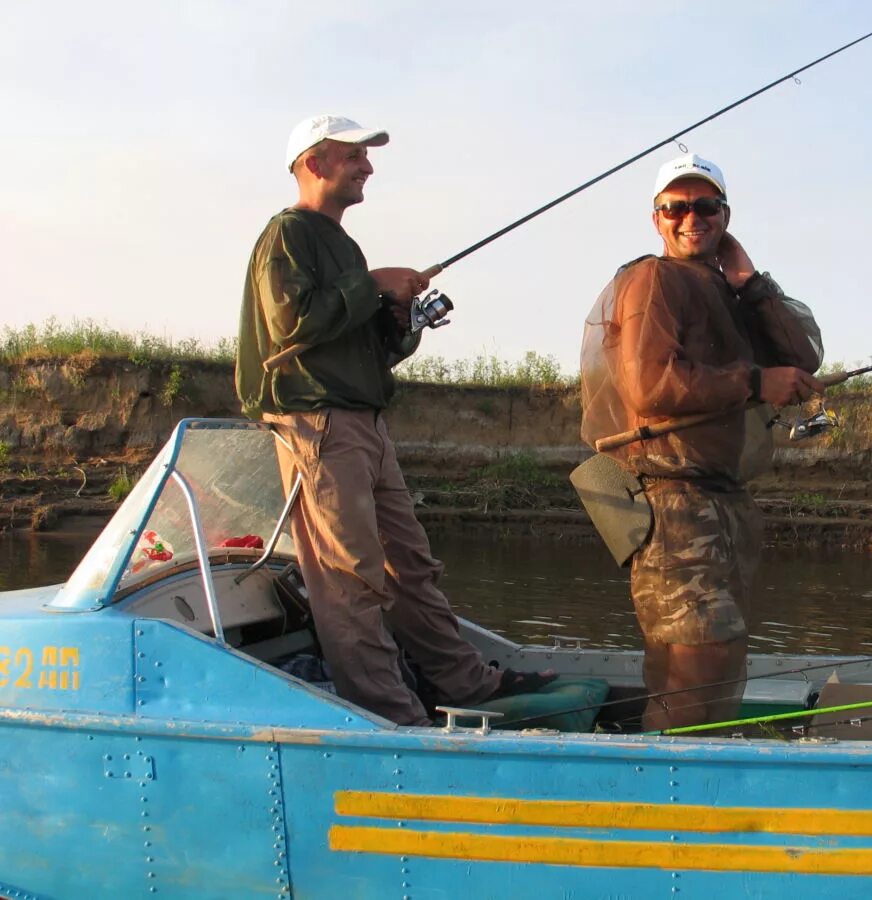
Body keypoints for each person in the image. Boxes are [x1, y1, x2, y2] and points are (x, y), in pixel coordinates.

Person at [235, 114, 553, 726]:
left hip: (364, 423)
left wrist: (399, 316)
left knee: (410, 565)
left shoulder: (341, 245)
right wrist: (373, 282)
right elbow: (291, 325)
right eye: (354, 156)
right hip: (317, 425)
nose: (368, 167)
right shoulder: (289, 233)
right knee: (347, 580)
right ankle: (391, 716)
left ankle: (465, 682)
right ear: (315, 162)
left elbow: (367, 350)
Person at [580, 153, 825, 731]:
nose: (692, 217)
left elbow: (803, 356)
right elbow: (649, 382)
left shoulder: (731, 292)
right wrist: (754, 382)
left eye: (706, 206)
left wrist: (748, 280)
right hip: (671, 497)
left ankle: (691, 777)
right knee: (698, 654)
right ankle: (665, 787)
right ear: (657, 218)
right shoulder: (653, 279)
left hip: (721, 499)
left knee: (717, 655)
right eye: (677, 207)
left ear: (725, 215)